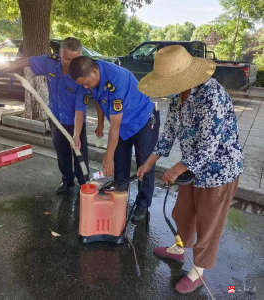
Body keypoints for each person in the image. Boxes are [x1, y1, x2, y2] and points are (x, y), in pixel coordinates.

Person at [137, 45, 244, 294]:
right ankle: (178, 249)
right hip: (193, 169)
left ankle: (198, 271)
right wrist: (148, 162)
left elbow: (209, 145)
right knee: (183, 211)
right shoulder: (178, 98)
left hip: (220, 171)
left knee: (208, 223)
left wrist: (175, 169)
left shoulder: (212, 96)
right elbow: (169, 134)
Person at [69, 57, 160, 221]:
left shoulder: (115, 80)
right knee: (120, 164)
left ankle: (143, 204)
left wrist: (107, 156)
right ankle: (120, 198)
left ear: (94, 72)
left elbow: (116, 126)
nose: (85, 87)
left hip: (143, 121)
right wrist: (100, 123)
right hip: (122, 125)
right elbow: (98, 98)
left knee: (144, 164)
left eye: (85, 83)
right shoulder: (94, 76)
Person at [0, 38, 90, 193]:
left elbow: (80, 110)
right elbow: (27, 60)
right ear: (60, 53)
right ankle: (67, 181)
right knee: (62, 153)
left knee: (79, 153)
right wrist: (12, 65)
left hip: (75, 122)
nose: (71, 63)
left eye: (75, 59)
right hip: (55, 118)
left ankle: (85, 185)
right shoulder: (50, 62)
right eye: (67, 58)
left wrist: (76, 134)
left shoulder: (81, 77)